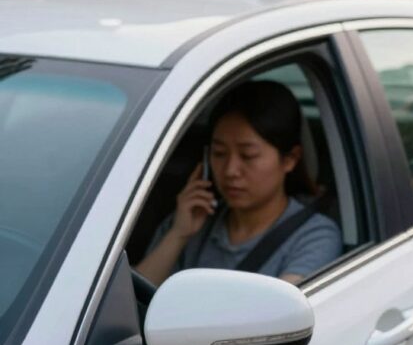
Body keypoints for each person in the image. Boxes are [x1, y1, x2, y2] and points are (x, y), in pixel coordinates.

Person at [137, 81, 341, 286]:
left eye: (248, 155)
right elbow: (131, 303)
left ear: (290, 159)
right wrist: (178, 235)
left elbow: (279, 314)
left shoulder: (314, 236)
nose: (230, 171)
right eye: (219, 154)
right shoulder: (188, 222)